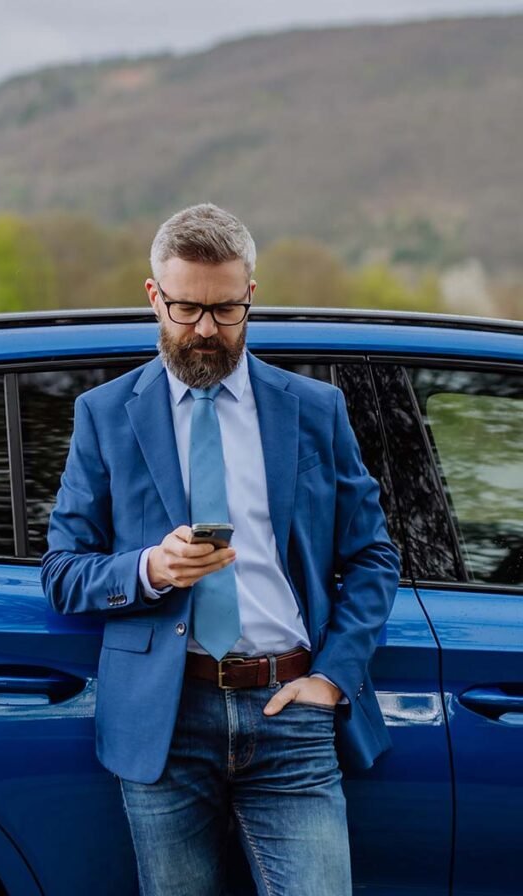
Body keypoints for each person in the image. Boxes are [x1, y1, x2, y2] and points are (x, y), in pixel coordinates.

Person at [41, 203, 400, 896]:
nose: (205, 330)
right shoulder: (106, 414)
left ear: (250, 297)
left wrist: (331, 678)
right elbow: (62, 572)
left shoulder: (314, 409)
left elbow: (372, 557)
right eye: (185, 309)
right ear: (154, 296)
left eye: (225, 311)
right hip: (165, 723)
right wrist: (149, 568)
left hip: (291, 711)